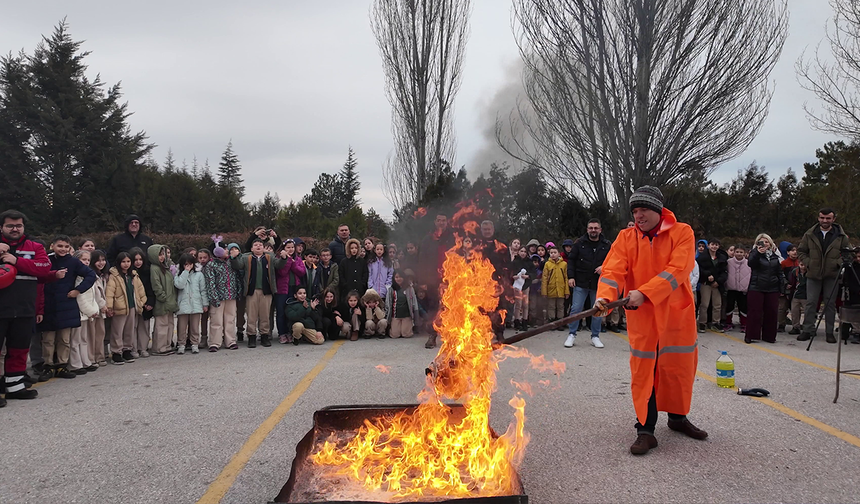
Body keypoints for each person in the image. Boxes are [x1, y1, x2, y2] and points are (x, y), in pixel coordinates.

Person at [595, 186, 706, 456]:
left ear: (657, 210)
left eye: (643, 209)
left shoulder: (683, 232)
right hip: (643, 318)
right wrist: (605, 299)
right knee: (644, 372)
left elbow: (678, 270)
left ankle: (678, 419)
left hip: (675, 315)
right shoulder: (626, 237)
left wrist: (645, 293)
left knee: (678, 368)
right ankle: (645, 430)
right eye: (634, 210)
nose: (638, 215)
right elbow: (612, 271)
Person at [0, 210, 50, 405]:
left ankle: (15, 387)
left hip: (24, 308)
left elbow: (44, 268)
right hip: (1, 308)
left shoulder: (35, 246)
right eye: (10, 226)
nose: (15, 229)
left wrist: (17, 261)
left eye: (18, 225)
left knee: (19, 349)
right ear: (2, 227)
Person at [39, 235, 97, 379]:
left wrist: (78, 290)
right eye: (60, 246)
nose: (63, 249)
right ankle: (48, 366)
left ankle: (62, 366)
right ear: (52, 246)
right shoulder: (46, 260)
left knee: (64, 339)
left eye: (66, 246)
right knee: (48, 339)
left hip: (66, 304)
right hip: (48, 304)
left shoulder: (73, 262)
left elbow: (90, 275)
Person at [797, 208, 851, 343]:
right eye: (822, 218)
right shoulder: (810, 234)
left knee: (830, 304)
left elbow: (848, 253)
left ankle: (829, 332)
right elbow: (801, 251)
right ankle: (807, 330)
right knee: (811, 303)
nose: (824, 221)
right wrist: (809, 263)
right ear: (818, 218)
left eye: (828, 218)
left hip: (832, 275)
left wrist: (837, 263)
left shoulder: (841, 236)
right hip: (813, 274)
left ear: (834, 219)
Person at [564, 219, 612, 349]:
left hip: (599, 284)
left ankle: (595, 336)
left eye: (596, 228)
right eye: (591, 228)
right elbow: (571, 260)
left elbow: (614, 260)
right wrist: (571, 277)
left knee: (597, 310)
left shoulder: (607, 245)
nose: (593, 230)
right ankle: (572, 334)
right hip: (580, 281)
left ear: (600, 230)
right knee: (576, 308)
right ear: (587, 229)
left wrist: (604, 267)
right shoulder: (579, 243)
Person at [231, 239, 285, 348]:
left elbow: (279, 265)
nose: (258, 246)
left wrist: (284, 258)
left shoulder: (270, 257)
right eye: (255, 245)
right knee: (252, 315)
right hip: (252, 290)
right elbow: (238, 266)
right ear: (251, 248)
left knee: (265, 315)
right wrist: (234, 257)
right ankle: (251, 336)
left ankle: (265, 335)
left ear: (264, 247)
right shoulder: (246, 257)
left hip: (267, 291)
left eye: (260, 245)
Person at [418, 212, 455, 348]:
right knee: (433, 308)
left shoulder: (453, 238)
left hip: (451, 280)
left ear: (447, 222)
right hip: (433, 280)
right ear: (435, 222)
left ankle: (451, 337)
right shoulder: (427, 239)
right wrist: (422, 280)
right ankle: (432, 335)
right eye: (439, 220)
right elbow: (422, 260)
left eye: (443, 220)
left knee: (451, 308)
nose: (441, 223)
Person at [106, 251, 147, 364]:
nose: (126, 264)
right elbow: (110, 292)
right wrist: (109, 306)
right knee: (117, 331)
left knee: (129, 329)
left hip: (132, 306)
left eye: (128, 261)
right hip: (119, 307)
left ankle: (127, 349)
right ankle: (116, 352)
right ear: (118, 263)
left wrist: (142, 302)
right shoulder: (114, 276)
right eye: (123, 262)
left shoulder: (133, 275)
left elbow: (140, 290)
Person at [745, 234, 785, 344]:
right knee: (755, 312)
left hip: (772, 287)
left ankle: (769, 336)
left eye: (767, 242)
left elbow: (779, 272)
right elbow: (751, 264)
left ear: (771, 243)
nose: (764, 244)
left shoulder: (775, 255)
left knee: (772, 312)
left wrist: (781, 287)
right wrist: (758, 253)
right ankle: (751, 335)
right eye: (761, 242)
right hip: (757, 286)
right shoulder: (754, 253)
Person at [204, 242, 243, 351]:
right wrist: (214, 297)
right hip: (218, 297)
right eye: (225, 249)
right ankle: (215, 342)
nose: (227, 251)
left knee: (230, 319)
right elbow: (210, 283)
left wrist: (238, 291)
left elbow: (237, 276)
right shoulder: (211, 265)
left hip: (231, 295)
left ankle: (230, 341)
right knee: (216, 320)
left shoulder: (230, 262)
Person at [68, 250, 99, 375]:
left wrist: (94, 309)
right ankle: (75, 364)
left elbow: (92, 297)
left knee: (84, 339)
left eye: (88, 260)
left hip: (87, 314)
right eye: (83, 260)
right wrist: (91, 311)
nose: (86, 262)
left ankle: (85, 361)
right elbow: (80, 298)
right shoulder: (76, 278)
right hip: (79, 314)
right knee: (75, 340)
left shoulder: (87, 276)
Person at [173, 253, 208, 354]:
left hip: (196, 304)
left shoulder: (199, 275)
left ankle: (194, 344)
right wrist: (185, 272)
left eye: (190, 264)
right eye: (185, 264)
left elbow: (203, 290)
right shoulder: (178, 275)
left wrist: (205, 304)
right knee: (181, 327)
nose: (188, 266)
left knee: (195, 326)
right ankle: (181, 344)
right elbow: (179, 285)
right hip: (183, 305)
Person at [147, 244, 178, 356]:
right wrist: (162, 296)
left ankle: (167, 345)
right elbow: (156, 284)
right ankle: (159, 347)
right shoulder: (154, 268)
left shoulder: (166, 267)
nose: (162, 257)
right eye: (160, 255)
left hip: (170, 300)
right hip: (162, 301)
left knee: (170, 324)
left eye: (163, 254)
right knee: (161, 325)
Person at [274, 239, 307, 344]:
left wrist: (293, 263)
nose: (291, 249)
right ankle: (282, 333)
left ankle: (290, 332)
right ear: (283, 248)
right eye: (288, 247)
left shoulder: (298, 259)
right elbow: (282, 272)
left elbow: (301, 272)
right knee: (281, 312)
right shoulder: (279, 259)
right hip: (282, 290)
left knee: (291, 311)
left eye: (292, 247)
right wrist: (287, 260)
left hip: (294, 288)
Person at [696, 238, 728, 332]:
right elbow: (699, 269)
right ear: (709, 245)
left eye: (716, 245)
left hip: (717, 284)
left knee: (717, 304)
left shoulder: (722, 257)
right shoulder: (702, 257)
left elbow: (724, 272)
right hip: (705, 283)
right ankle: (702, 323)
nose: (714, 246)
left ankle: (715, 322)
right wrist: (707, 275)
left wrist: (718, 281)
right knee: (704, 304)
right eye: (712, 244)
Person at [129, 248, 153, 358]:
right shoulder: (128, 274)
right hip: (133, 303)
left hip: (146, 303)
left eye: (140, 259)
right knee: (132, 327)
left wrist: (150, 302)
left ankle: (143, 347)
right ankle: (133, 348)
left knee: (144, 327)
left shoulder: (148, 271)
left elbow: (151, 288)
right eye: (135, 260)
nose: (138, 262)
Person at [89, 250, 110, 365]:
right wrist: (102, 305)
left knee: (100, 334)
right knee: (93, 335)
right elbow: (95, 293)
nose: (101, 263)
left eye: (103, 260)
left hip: (103, 309)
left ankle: (100, 356)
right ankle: (92, 358)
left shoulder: (104, 275)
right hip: (94, 308)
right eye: (98, 260)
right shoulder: (92, 275)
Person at [385, 271, 420, 339]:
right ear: (394, 278)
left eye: (400, 277)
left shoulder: (409, 288)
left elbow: (414, 302)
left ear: (404, 278)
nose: (398, 279)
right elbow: (388, 303)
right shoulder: (391, 289)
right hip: (395, 315)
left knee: (406, 334)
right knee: (395, 335)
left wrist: (416, 314)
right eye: (396, 277)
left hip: (406, 315)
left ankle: (406, 327)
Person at [724, 245, 751, 331]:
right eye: (737, 252)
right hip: (731, 288)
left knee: (743, 306)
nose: (739, 254)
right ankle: (728, 322)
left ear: (745, 253)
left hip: (743, 289)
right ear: (734, 252)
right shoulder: (728, 262)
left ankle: (744, 323)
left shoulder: (748, 263)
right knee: (729, 306)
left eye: (741, 252)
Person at [541, 246, 568, 326]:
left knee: (560, 306)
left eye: (555, 252)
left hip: (561, 289)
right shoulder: (547, 264)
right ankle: (552, 321)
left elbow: (566, 278)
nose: (553, 254)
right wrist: (544, 292)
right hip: (551, 289)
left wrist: (567, 291)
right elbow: (544, 278)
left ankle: (560, 322)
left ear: (559, 254)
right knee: (551, 306)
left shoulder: (564, 264)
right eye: (551, 253)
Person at [338, 238, 368, 304]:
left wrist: (362, 283)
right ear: (348, 249)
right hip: (347, 289)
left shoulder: (362, 261)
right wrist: (345, 284)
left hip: (359, 289)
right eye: (352, 248)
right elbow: (341, 274)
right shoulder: (344, 262)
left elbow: (365, 273)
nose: (354, 250)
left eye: (356, 248)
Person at [778, 245, 799, 332]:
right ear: (788, 252)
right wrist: (785, 284)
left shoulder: (800, 263)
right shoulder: (784, 263)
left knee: (795, 309)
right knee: (782, 308)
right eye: (792, 250)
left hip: (796, 290)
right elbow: (780, 275)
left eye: (796, 250)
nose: (795, 252)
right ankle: (781, 325)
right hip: (785, 289)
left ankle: (796, 326)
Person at [787, 261, 808, 335]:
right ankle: (796, 327)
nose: (802, 267)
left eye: (804, 265)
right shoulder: (795, 271)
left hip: (807, 295)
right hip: (796, 294)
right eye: (801, 264)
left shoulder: (810, 272)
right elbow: (791, 282)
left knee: (808, 312)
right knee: (794, 311)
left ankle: (807, 328)